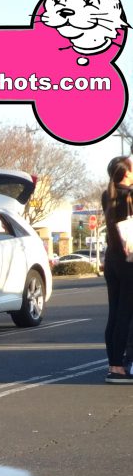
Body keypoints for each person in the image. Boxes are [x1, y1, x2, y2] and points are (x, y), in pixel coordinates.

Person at [101, 154, 133, 382]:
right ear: (126, 173)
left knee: (114, 312)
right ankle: (120, 368)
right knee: (126, 313)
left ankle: (113, 363)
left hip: (112, 258)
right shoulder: (129, 195)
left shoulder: (108, 194)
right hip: (129, 259)